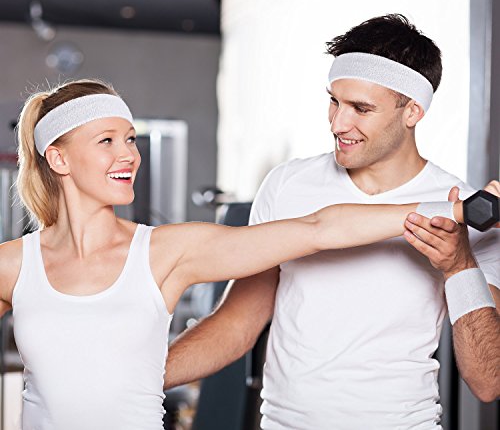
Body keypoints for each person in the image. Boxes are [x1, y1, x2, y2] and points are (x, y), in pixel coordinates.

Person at [0, 79, 482, 430]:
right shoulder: (12, 265)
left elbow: (321, 227)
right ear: (58, 159)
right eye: (107, 141)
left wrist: (459, 208)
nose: (129, 155)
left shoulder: (166, 251)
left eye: (130, 139)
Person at [164, 15, 500, 429]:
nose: (338, 124)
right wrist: (135, 379)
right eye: (334, 101)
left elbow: (488, 381)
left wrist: (459, 265)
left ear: (413, 111)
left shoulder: (467, 209)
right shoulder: (287, 185)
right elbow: (237, 323)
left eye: (361, 108)